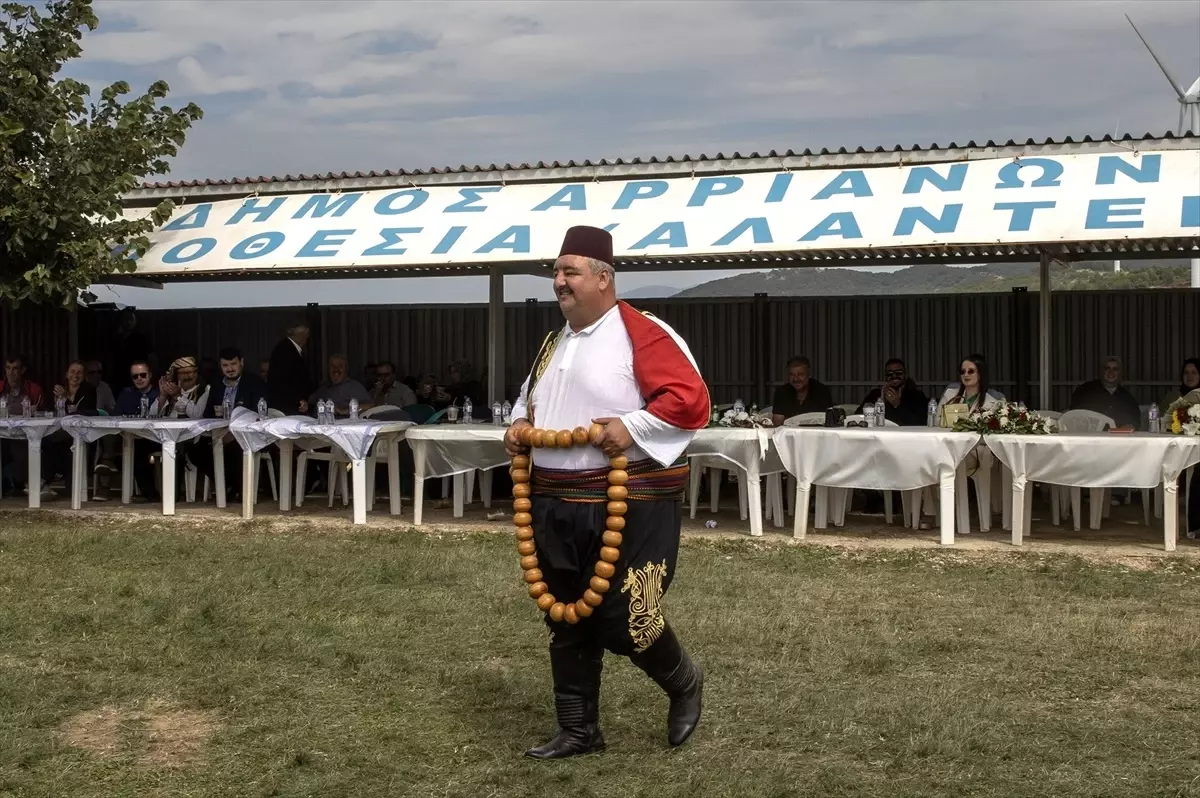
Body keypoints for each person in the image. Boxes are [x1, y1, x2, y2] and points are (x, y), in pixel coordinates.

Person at [504, 225, 710, 759]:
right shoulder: (554, 342)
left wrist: (633, 426)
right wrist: (518, 422)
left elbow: (689, 399)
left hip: (630, 500)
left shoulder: (641, 332)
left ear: (604, 278)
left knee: (626, 616)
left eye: (569, 271)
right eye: (556, 272)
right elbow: (528, 399)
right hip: (552, 498)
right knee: (566, 614)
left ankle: (685, 682)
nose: (558, 282)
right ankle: (579, 730)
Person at [192, 347, 267, 499]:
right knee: (194, 451)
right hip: (218, 433)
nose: (230, 369)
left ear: (241, 363)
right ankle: (226, 484)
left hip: (245, 433)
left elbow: (256, 413)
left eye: (233, 364)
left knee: (233, 449)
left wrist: (233, 433)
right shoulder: (217, 385)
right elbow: (208, 413)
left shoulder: (254, 382)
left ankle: (239, 489)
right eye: (225, 365)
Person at [42, 361, 99, 495]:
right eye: (72, 371)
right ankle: (43, 481)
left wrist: (65, 398)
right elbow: (48, 410)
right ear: (67, 374)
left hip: (81, 432)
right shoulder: (58, 389)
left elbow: (84, 412)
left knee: (57, 442)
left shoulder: (89, 390)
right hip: (59, 430)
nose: (75, 375)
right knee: (43, 440)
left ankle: (45, 480)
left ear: (84, 376)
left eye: (79, 372)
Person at [114, 361, 161, 502]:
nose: (139, 379)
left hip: (156, 437)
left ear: (150, 375)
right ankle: (147, 491)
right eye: (135, 376)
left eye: (143, 375)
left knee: (137, 450)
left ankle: (150, 494)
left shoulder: (160, 393)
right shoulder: (126, 393)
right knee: (127, 449)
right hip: (130, 436)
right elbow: (116, 415)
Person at [1069, 356, 1140, 429]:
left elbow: (1134, 420)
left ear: (1121, 373)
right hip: (1088, 436)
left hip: (1116, 437)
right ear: (1101, 371)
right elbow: (1074, 414)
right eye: (1107, 368)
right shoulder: (1084, 390)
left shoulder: (1127, 397)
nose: (1111, 372)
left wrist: (1129, 426)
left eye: (1115, 369)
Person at [856, 358, 929, 426]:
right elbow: (857, 417)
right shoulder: (875, 394)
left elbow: (921, 422)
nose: (894, 376)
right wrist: (881, 402)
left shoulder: (917, 396)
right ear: (885, 377)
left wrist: (897, 405)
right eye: (889, 374)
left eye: (898, 373)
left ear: (905, 375)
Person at [770, 356, 833, 426]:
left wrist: (790, 420)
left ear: (809, 375)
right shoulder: (781, 392)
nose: (796, 379)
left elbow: (824, 420)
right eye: (792, 375)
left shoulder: (822, 391)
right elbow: (777, 423)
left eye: (800, 374)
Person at [267, 321, 313, 414]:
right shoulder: (285, 350)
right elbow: (280, 380)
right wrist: (298, 399)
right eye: (305, 333)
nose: (307, 337)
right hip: (286, 409)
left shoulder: (289, 348)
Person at [937, 354, 1001, 416]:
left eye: (971, 371)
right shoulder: (949, 395)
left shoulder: (991, 403)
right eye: (963, 371)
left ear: (980, 374)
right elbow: (937, 420)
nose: (966, 375)